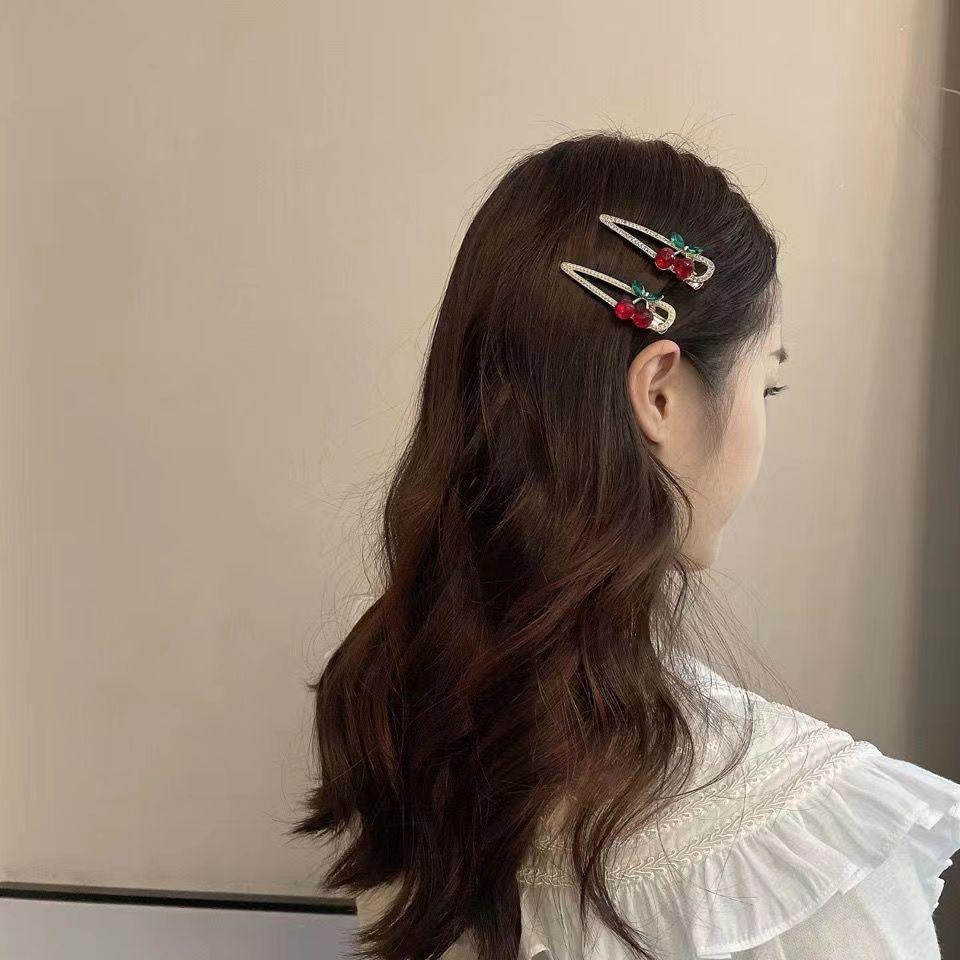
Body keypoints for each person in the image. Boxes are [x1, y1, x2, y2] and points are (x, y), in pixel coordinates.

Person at [289, 132, 960, 959]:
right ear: (660, 394)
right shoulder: (811, 843)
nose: (762, 424)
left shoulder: (398, 705)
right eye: (768, 384)